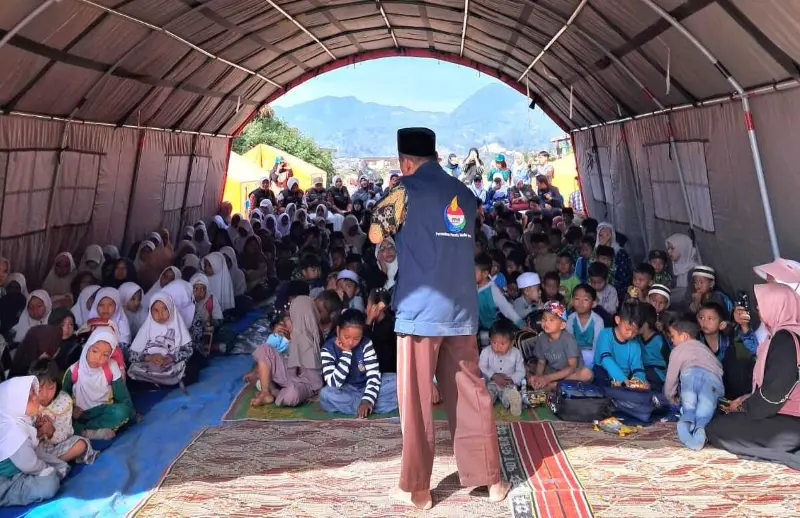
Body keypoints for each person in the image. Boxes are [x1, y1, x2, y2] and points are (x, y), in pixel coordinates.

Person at [369, 128, 508, 509]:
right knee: (470, 394)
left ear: (406, 162)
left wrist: (386, 246)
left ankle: (417, 489)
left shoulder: (404, 190)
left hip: (419, 312)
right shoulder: (465, 193)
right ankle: (491, 480)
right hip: (460, 308)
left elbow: (375, 230)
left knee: (415, 403)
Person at [706, 283, 800, 468]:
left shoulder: (785, 340)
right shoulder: (784, 335)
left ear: (777, 305)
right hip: (786, 415)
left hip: (791, 422)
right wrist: (747, 399)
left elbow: (773, 396)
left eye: (762, 303)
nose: (757, 308)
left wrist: (744, 407)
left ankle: (785, 455)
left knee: (715, 429)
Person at [246, 296, 324, 407]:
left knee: (292, 394)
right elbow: (281, 355)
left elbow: (314, 377)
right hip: (289, 373)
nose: (288, 321)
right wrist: (286, 338)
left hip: (305, 383)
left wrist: (319, 392)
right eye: (289, 318)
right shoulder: (290, 333)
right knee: (264, 348)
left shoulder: (314, 335)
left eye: (292, 317)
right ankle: (265, 392)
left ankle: (273, 390)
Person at [0, 376, 66, 507]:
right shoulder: (13, 431)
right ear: (15, 404)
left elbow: (29, 449)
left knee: (56, 465)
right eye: (29, 397)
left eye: (34, 392)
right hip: (5, 479)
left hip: (19, 466)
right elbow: (29, 465)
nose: (37, 397)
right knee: (49, 485)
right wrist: (47, 470)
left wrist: (40, 431)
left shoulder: (18, 419)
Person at [320, 309, 397, 416]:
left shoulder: (366, 344)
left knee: (397, 381)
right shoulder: (327, 349)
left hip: (367, 386)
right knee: (326, 394)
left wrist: (367, 400)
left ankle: (365, 405)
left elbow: (374, 376)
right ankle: (371, 407)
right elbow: (334, 383)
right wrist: (346, 353)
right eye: (346, 337)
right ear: (338, 331)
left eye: (357, 338)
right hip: (346, 390)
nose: (351, 342)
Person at [64, 328, 135, 439]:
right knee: (62, 419)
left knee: (122, 412)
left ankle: (84, 431)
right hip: (79, 414)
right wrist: (72, 408)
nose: (98, 358)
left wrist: (132, 416)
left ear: (110, 355)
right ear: (87, 348)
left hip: (102, 411)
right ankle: (88, 431)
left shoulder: (112, 367)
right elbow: (63, 396)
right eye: (94, 351)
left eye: (105, 355)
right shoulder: (73, 371)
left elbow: (123, 396)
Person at [664, 318, 724, 450]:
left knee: (689, 405)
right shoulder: (706, 350)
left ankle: (686, 423)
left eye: (673, 336)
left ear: (684, 336)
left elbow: (671, 378)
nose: (672, 340)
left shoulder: (678, 350)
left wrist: (670, 397)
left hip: (691, 375)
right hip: (714, 380)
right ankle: (701, 430)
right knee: (705, 409)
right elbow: (719, 367)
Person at [29, 360, 95, 464]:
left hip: (55, 448)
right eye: (40, 389)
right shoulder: (27, 401)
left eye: (51, 388)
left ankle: (50, 465)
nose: (45, 395)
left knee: (81, 444)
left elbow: (65, 435)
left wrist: (51, 432)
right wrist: (37, 432)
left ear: (58, 384)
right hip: (31, 450)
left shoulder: (64, 401)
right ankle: (50, 466)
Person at [126, 293, 196, 388]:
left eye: (165, 309)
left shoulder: (178, 326)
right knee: (129, 374)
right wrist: (149, 358)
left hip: (169, 366)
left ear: (171, 308)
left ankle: (156, 383)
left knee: (192, 369)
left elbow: (188, 351)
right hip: (148, 366)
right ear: (150, 311)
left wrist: (170, 358)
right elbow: (131, 355)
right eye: (155, 310)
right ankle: (162, 382)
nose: (160, 314)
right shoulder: (146, 328)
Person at [528, 301, 593, 391]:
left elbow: (571, 367)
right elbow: (541, 362)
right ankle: (543, 386)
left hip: (570, 375)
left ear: (562, 325)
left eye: (551, 320)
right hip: (553, 371)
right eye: (544, 319)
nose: (546, 323)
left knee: (587, 373)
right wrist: (538, 379)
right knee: (528, 368)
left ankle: (553, 386)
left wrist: (547, 379)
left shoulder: (568, 340)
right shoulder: (541, 338)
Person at [592, 301, 649, 387]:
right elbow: (606, 360)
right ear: (617, 320)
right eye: (627, 329)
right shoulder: (605, 334)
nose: (630, 334)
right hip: (605, 374)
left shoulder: (635, 343)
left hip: (625, 379)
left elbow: (637, 368)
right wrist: (622, 379)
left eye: (634, 332)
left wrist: (640, 382)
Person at [479, 319, 525, 415]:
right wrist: (493, 376)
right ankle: (485, 403)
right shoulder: (486, 352)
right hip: (491, 383)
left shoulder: (516, 353)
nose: (497, 346)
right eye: (494, 342)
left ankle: (514, 403)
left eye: (502, 344)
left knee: (509, 394)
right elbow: (481, 367)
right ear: (489, 339)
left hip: (508, 384)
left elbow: (521, 371)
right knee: (488, 393)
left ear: (512, 343)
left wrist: (512, 379)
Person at [566, 284, 605, 367]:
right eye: (577, 299)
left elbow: (598, 345)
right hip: (574, 355)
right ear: (572, 301)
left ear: (593, 303)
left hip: (591, 355)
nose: (580, 303)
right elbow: (568, 342)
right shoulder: (570, 319)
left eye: (585, 299)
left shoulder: (598, 321)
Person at [596, 223, 633, 301]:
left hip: (618, 292)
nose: (604, 238)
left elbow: (625, 278)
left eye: (607, 235)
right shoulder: (595, 252)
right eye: (601, 235)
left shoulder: (620, 253)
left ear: (612, 236)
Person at [639, 304, 667, 391]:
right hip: (642, 369)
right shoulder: (636, 338)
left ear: (646, 323)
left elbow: (670, 360)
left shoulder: (659, 340)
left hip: (657, 373)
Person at [666, 233, 699, 304]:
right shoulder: (675, 266)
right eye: (668, 248)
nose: (669, 252)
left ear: (682, 248)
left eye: (672, 248)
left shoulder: (694, 270)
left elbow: (687, 295)